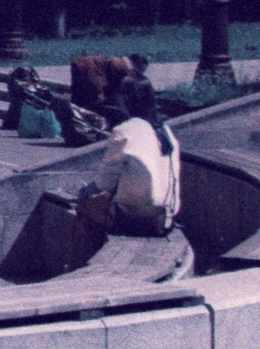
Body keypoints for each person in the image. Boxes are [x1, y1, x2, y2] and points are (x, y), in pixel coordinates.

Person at [77, 75, 182, 236]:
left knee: (83, 210)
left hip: (139, 217)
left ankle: (82, 261)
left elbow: (102, 183)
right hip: (167, 216)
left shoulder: (126, 131)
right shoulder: (165, 130)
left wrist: (84, 193)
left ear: (125, 100)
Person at [69, 53, 152, 118]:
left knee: (78, 97)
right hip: (93, 69)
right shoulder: (127, 68)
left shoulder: (120, 62)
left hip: (81, 63)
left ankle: (75, 116)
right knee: (96, 102)